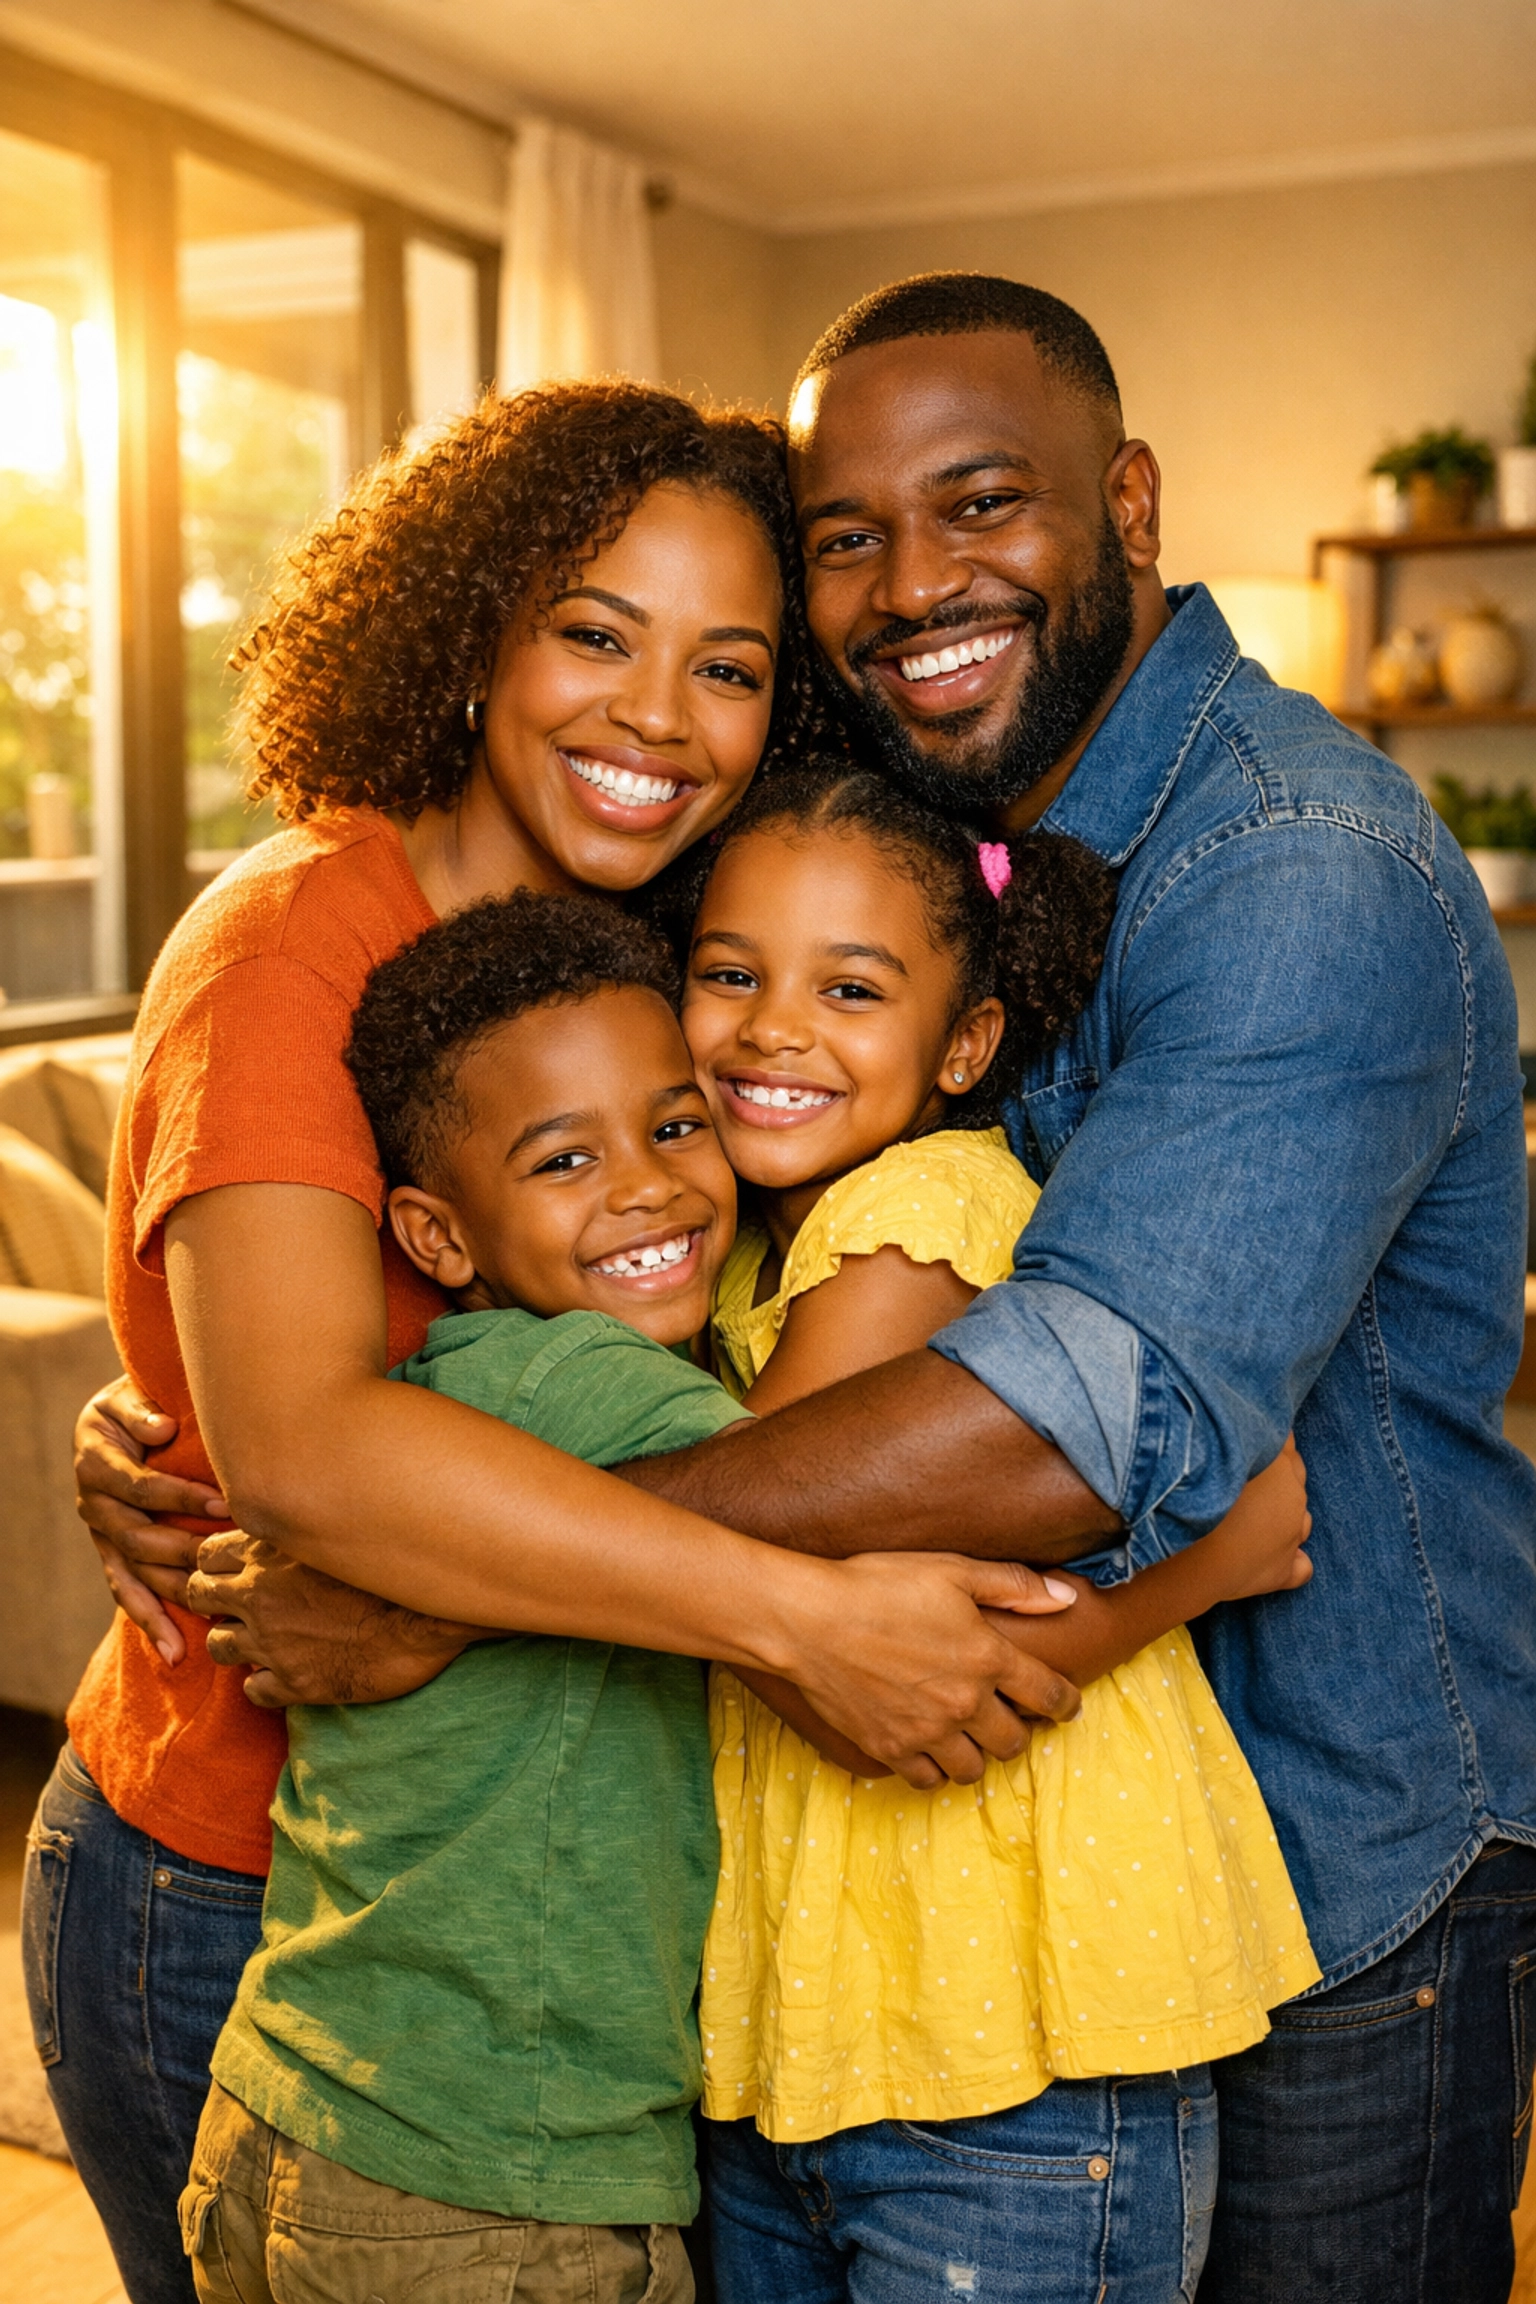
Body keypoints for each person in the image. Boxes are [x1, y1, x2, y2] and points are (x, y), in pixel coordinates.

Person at [81, 274, 1536, 2295]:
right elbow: (344, 1391)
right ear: (471, 624)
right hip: (441, 1914)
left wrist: (442, 1582)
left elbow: (1088, 1420)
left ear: (1128, 506)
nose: (910, 582)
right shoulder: (696, 926)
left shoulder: (1291, 868)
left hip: (1305, 1849)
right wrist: (224, 1422)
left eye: (981, 507)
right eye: (849, 537)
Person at [36, 378, 1077, 2304]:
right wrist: (803, 1622)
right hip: (251, 1894)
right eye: (596, 632)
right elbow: (308, 1458)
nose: (657, 721)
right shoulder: (295, 944)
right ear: (467, 629)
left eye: (730, 668)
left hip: (540, 1937)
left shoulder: (681, 959)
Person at [667, 764, 1315, 2300]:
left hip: (1000, 2034)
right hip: (845, 2023)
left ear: (964, 1046)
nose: (773, 1026)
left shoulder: (918, 1209)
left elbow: (734, 1558)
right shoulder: (745, 1245)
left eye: (850, 988)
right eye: (731, 974)